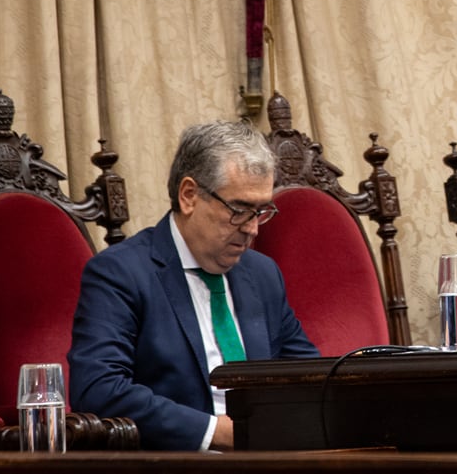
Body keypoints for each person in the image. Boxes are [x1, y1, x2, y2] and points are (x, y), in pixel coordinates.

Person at [68, 121, 317, 450]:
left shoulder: (262, 274)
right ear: (189, 196)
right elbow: (98, 388)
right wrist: (220, 433)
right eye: (240, 210)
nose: (253, 229)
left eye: (261, 211)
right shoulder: (120, 274)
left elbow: (310, 377)